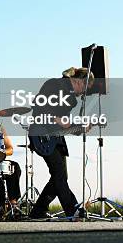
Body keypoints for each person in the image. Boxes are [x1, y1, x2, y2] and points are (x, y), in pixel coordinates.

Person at [28, 67, 93, 219]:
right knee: (59, 174)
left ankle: (38, 211)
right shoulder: (54, 84)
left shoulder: (71, 99)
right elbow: (37, 104)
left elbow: (65, 125)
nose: (84, 93)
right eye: (85, 88)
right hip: (41, 132)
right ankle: (72, 210)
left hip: (55, 137)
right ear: (79, 81)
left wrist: (79, 128)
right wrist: (57, 120)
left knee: (60, 176)